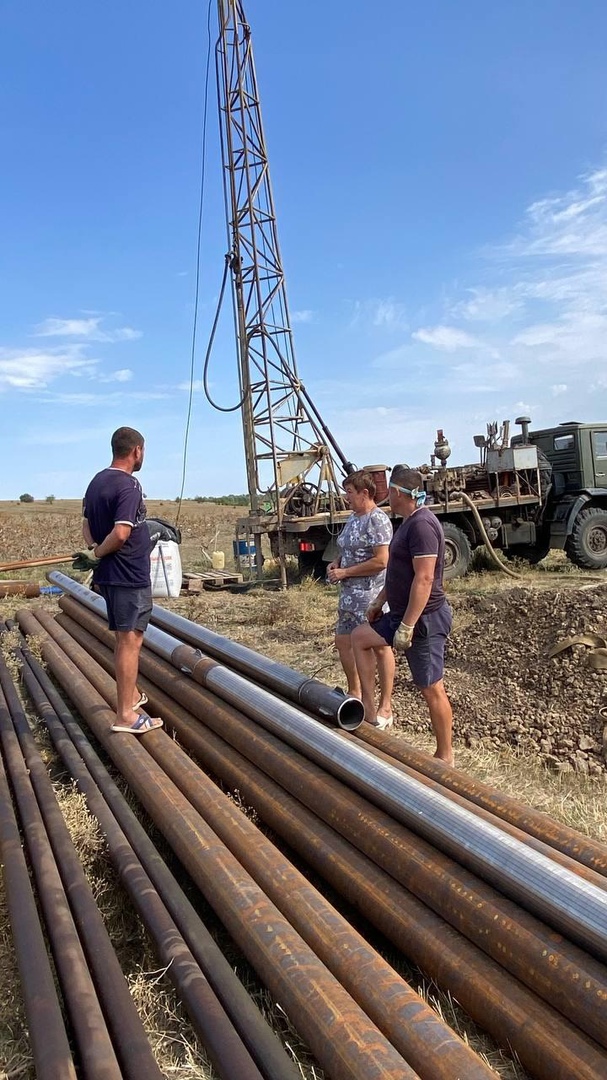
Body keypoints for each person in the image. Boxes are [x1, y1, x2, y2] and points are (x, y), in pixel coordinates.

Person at [351, 466, 454, 764]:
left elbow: (423, 580)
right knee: (359, 638)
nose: (387, 497)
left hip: (423, 619)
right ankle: (371, 715)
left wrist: (407, 626)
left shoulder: (422, 525)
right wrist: (378, 601)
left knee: (431, 686)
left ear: (397, 492)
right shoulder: (408, 522)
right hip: (399, 612)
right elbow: (399, 572)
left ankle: (445, 756)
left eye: (389, 491)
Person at [79, 426, 163, 735]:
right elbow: (122, 532)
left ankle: (130, 696)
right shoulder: (129, 485)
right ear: (136, 450)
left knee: (123, 640)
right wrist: (99, 553)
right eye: (144, 451)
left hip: (110, 578)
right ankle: (126, 715)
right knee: (131, 641)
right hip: (128, 575)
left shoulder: (97, 481)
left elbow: (87, 524)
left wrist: (91, 551)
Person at [326, 470, 393, 719]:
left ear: (365, 493)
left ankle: (384, 704)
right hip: (348, 596)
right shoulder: (354, 518)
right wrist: (336, 563)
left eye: (350, 492)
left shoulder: (377, 520)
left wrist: (346, 572)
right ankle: (355, 692)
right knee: (343, 642)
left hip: (370, 597)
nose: (346, 497)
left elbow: (381, 560)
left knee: (380, 647)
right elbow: (349, 549)